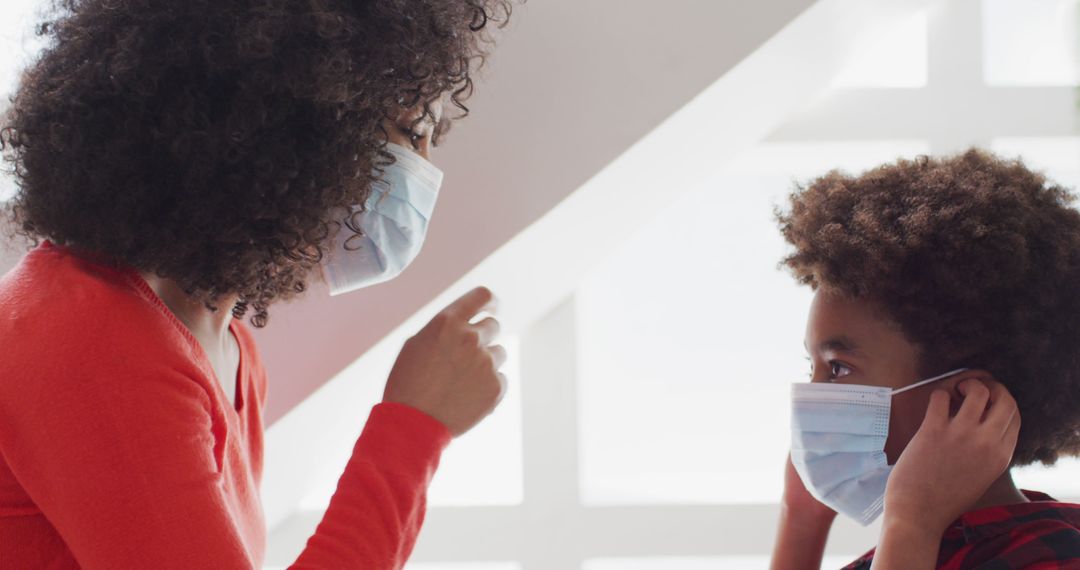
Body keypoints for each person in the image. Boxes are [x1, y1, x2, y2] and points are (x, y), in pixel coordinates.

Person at [0, 0, 512, 568]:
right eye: (413, 133)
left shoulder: (229, 343)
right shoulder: (91, 341)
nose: (423, 167)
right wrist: (415, 427)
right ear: (293, 128)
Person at [769, 149, 1080, 569]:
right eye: (813, 367)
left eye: (837, 368)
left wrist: (912, 523)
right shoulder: (904, 551)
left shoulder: (1051, 558)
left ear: (968, 404)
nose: (811, 395)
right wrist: (801, 521)